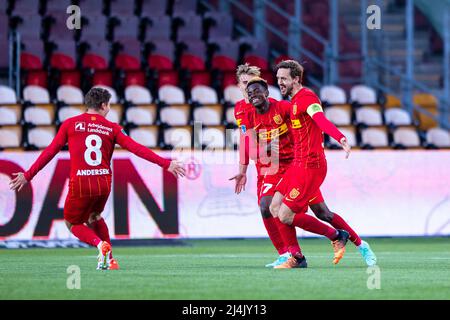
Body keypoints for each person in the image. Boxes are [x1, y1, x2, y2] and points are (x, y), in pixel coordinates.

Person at [9, 87, 186, 270]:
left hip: (80, 183)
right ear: (102, 105)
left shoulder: (70, 124)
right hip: (103, 183)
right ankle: (111, 261)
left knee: (73, 222)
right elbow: (136, 148)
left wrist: (28, 175)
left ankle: (99, 245)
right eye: (108, 105)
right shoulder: (112, 128)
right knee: (95, 216)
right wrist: (165, 163)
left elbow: (50, 152)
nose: (109, 109)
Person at [269, 60, 376, 268]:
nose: (280, 82)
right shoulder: (292, 104)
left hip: (311, 166)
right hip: (297, 166)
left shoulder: (307, 98)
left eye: (284, 79)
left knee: (285, 214)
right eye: (278, 79)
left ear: (296, 79)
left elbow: (320, 119)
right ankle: (361, 245)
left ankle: (335, 236)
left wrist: (340, 137)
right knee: (306, 211)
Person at [230, 64, 305, 267]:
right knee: (265, 208)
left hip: (289, 163)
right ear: (239, 86)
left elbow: (299, 122)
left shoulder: (276, 106)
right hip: (264, 167)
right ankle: (286, 254)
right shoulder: (239, 110)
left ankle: (335, 236)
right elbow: (246, 141)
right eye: (245, 83)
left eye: (253, 82)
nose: (249, 87)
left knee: (313, 210)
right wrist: (242, 170)